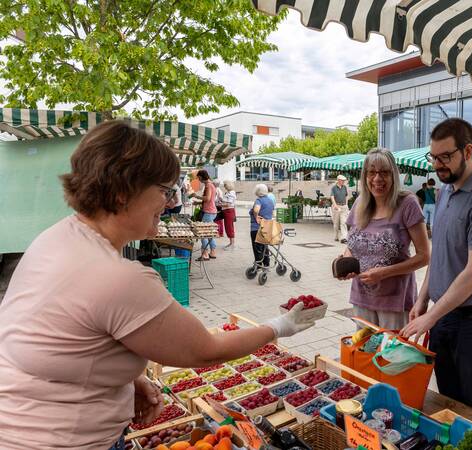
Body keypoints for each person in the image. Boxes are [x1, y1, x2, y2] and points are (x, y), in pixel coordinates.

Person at [0, 121, 316, 450]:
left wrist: (123, 376)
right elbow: (205, 350)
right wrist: (280, 326)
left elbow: (56, 335)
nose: (168, 202)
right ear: (124, 192)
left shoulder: (56, 237)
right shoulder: (117, 278)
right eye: (164, 190)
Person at [401, 118, 472, 417]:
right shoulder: (447, 189)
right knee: (449, 402)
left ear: (468, 151)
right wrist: (423, 298)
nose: (438, 165)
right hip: (446, 315)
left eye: (445, 157)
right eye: (434, 158)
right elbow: (441, 254)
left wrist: (431, 317)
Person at [337, 149, 430, 329]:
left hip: (395, 302)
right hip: (361, 298)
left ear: (393, 175)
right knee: (364, 354)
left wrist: (383, 273)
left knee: (392, 356)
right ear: (365, 176)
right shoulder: (359, 203)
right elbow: (352, 244)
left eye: (384, 172)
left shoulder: (407, 203)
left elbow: (424, 256)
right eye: (372, 172)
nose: (377, 178)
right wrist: (346, 261)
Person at [192, 170, 218, 261]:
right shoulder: (212, 184)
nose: (198, 180)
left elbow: (207, 198)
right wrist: (198, 202)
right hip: (211, 211)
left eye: (199, 178)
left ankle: (205, 254)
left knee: (203, 233)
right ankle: (213, 252)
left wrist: (196, 196)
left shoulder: (208, 185)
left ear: (202, 177)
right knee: (209, 232)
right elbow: (210, 200)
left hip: (208, 212)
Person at [250, 184, 275, 267]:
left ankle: (258, 264)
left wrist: (256, 217)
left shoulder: (259, 200)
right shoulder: (270, 201)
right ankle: (266, 263)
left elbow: (256, 209)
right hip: (267, 227)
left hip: (257, 228)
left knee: (257, 247)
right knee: (264, 246)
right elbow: (272, 213)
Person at [331, 174, 350, 243]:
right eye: (342, 181)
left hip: (343, 206)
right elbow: (332, 197)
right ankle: (336, 236)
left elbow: (346, 196)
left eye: (344, 181)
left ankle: (344, 237)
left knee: (344, 222)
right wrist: (335, 205)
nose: (344, 182)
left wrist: (346, 204)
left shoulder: (344, 187)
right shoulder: (333, 188)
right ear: (338, 180)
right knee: (336, 223)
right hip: (336, 207)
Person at [222, 180, 237, 249]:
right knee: (228, 227)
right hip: (227, 211)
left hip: (229, 211)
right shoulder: (228, 192)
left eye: (225, 185)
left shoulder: (231, 193)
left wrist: (220, 204)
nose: (224, 186)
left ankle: (232, 243)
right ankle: (231, 243)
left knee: (229, 227)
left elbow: (229, 204)